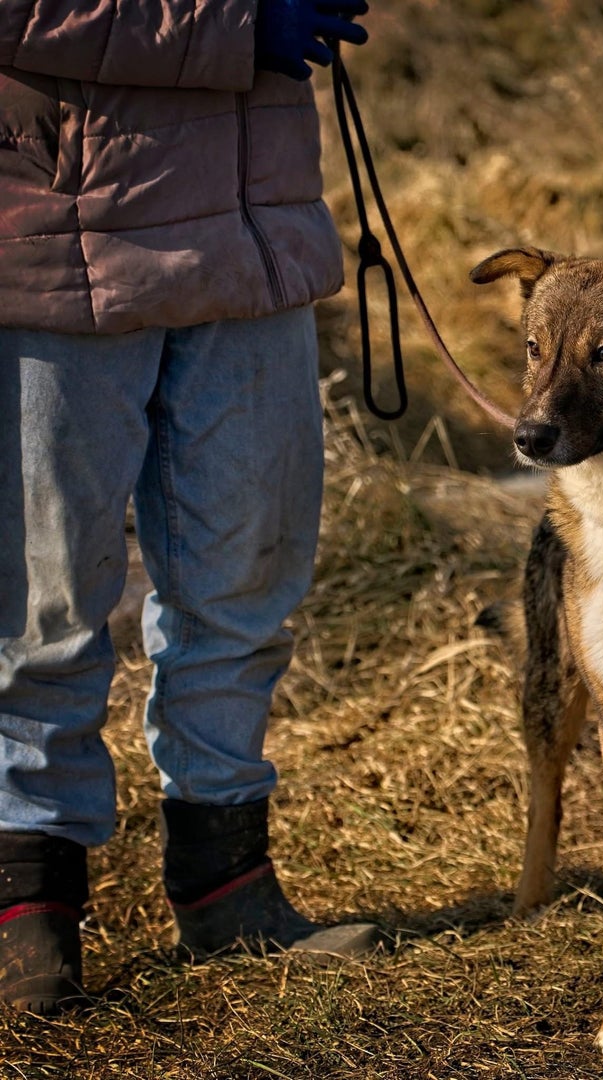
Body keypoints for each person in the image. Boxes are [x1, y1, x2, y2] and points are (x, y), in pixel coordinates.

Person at [0, 0, 379, 1015]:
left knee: (247, 580)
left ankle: (228, 885)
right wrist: (235, 27)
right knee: (42, 598)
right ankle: (28, 914)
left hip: (257, 234)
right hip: (52, 232)